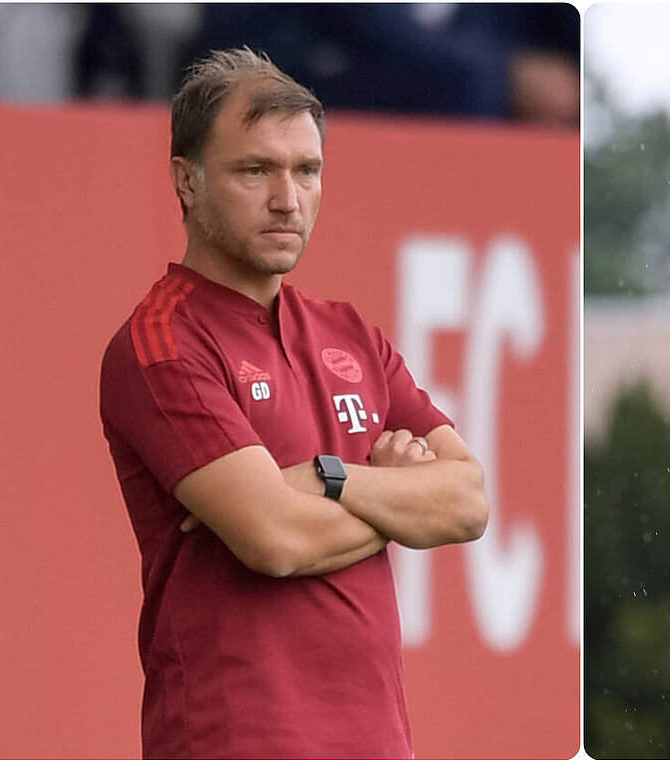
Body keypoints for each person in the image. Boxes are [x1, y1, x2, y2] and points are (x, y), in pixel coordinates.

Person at [99, 47, 488, 758]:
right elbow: (273, 542)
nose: (288, 198)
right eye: (255, 170)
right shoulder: (161, 342)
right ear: (186, 182)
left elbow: (467, 502)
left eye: (306, 171)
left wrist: (332, 479)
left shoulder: (352, 335)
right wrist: (399, 501)